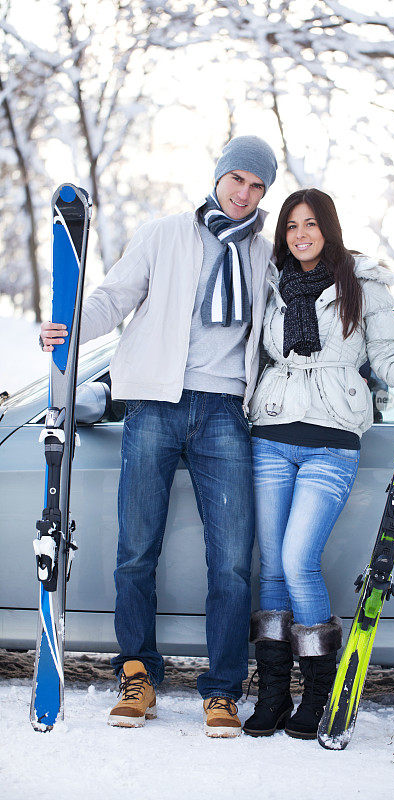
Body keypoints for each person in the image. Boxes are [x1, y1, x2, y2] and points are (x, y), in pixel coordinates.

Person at [39, 135, 278, 737]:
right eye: (238, 180)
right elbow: (114, 298)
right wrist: (66, 325)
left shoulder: (266, 256)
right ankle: (138, 673)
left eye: (257, 187)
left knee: (229, 561)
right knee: (137, 551)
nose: (244, 195)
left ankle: (223, 689)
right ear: (220, 175)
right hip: (154, 406)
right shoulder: (165, 233)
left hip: (226, 410)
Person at [242, 188, 394, 740]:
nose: (300, 234)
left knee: (298, 560)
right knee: (270, 567)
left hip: (331, 443)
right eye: (292, 225)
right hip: (270, 435)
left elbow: (389, 355)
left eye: (311, 224)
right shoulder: (270, 282)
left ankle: (319, 693)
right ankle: (273, 696)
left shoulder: (362, 285)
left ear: (330, 228)